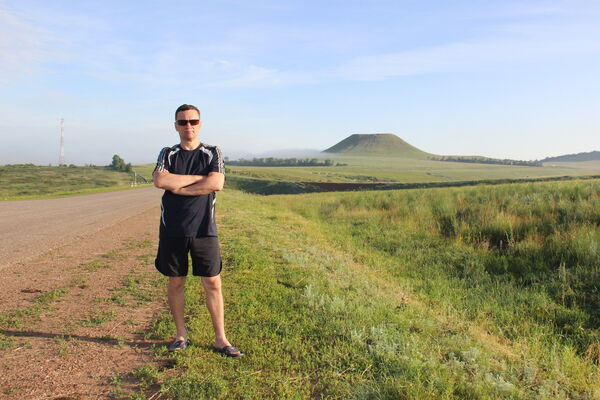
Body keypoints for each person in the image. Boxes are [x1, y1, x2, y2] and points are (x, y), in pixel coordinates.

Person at [152, 104, 242, 357]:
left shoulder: (212, 152)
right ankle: (181, 336)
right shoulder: (168, 153)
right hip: (172, 229)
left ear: (200, 124)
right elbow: (160, 180)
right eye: (182, 122)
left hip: (204, 228)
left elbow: (217, 183)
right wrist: (198, 178)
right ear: (176, 126)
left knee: (212, 282)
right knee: (176, 281)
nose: (188, 126)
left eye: (192, 121)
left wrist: (179, 186)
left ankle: (221, 339)